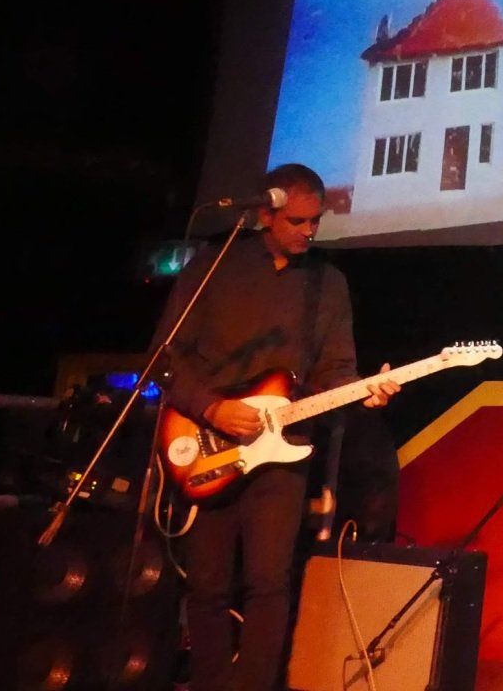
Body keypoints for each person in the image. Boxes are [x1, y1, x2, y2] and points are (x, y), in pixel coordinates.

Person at [153, 163, 401, 691]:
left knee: (268, 583)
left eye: (316, 221)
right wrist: (213, 409)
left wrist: (366, 393)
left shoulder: (328, 284)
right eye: (297, 221)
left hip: (284, 449)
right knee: (208, 587)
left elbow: (336, 371)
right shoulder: (213, 266)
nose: (309, 231)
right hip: (206, 440)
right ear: (264, 215)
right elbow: (164, 359)